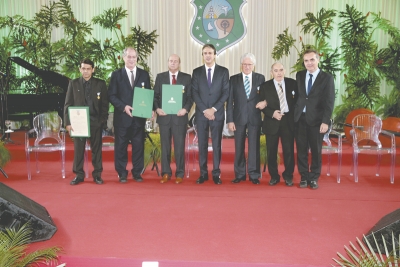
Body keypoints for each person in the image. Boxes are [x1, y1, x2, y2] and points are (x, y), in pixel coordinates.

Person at [108, 47, 151, 183]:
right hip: (122, 118)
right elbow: (111, 95)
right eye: (129, 57)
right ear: (123, 58)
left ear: (137, 58)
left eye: (134, 57)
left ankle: (137, 172)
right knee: (121, 147)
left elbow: (148, 94)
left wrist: (150, 109)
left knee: (138, 146)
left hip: (139, 118)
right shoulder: (116, 75)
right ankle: (122, 173)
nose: (131, 59)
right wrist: (123, 107)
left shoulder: (144, 74)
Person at [294, 49, 335, 189]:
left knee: (316, 151)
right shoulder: (299, 75)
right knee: (301, 150)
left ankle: (314, 177)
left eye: (312, 60)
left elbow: (330, 101)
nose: (309, 63)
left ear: (318, 60)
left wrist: (325, 121)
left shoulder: (327, 78)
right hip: (300, 119)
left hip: (317, 121)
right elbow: (299, 97)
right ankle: (304, 176)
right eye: (306, 60)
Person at [64, 58, 109, 185]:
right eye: (83, 68)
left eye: (88, 69)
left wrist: (102, 121)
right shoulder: (73, 84)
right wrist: (68, 123)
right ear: (80, 69)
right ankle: (79, 175)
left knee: (97, 150)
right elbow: (67, 105)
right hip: (78, 123)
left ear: (93, 70)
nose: (86, 71)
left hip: (95, 121)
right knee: (79, 149)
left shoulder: (100, 84)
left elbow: (105, 104)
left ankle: (97, 175)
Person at [191, 44, 229, 185]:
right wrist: (205, 110)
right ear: (202, 55)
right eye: (205, 53)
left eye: (210, 53)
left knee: (217, 145)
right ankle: (203, 173)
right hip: (201, 115)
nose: (207, 55)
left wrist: (213, 109)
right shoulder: (196, 72)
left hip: (217, 114)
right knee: (202, 145)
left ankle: (216, 174)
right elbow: (194, 93)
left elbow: (226, 92)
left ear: (215, 54)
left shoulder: (223, 72)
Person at [226, 53, 266, 184]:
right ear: (241, 65)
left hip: (254, 117)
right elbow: (230, 101)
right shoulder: (233, 79)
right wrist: (230, 120)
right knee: (239, 147)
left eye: (249, 64)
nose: (247, 66)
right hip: (238, 118)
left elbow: (264, 97)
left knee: (254, 147)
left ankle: (254, 174)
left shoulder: (260, 78)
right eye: (244, 64)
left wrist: (265, 103)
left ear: (253, 66)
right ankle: (240, 174)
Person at [153, 54, 192, 184]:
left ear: (179, 63)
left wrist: (185, 109)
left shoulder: (186, 78)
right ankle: (166, 173)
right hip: (164, 118)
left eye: (175, 61)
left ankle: (179, 173)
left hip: (179, 118)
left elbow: (190, 97)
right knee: (165, 147)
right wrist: (157, 109)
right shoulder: (160, 77)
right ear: (168, 62)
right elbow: (155, 96)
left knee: (180, 147)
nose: (173, 63)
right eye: (171, 61)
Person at [259, 62, 298, 187]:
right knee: (271, 151)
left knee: (289, 151)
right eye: (276, 70)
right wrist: (272, 113)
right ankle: (274, 176)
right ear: (271, 72)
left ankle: (288, 176)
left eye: (281, 70)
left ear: (285, 71)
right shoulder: (265, 86)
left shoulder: (293, 83)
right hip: (272, 121)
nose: (279, 73)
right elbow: (262, 105)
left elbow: (297, 102)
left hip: (288, 121)